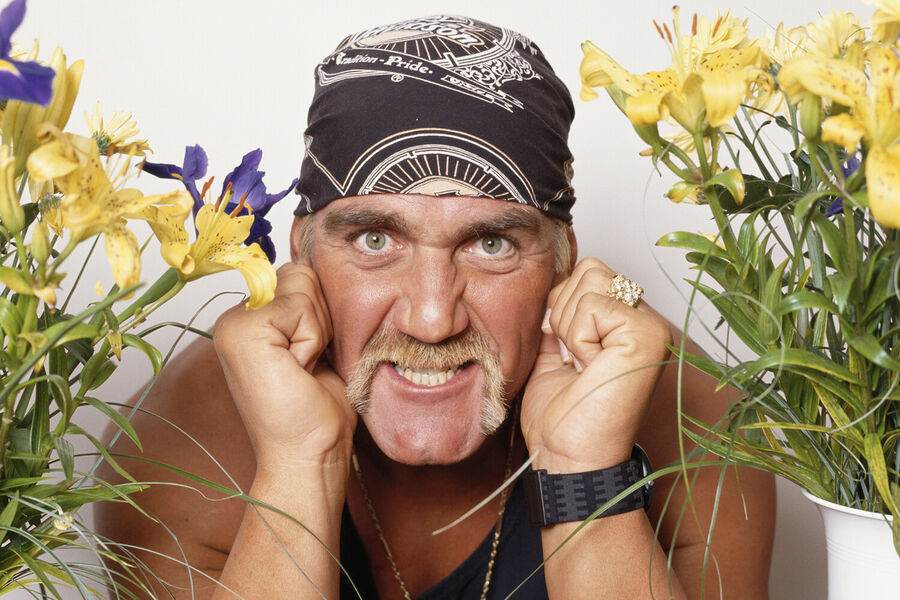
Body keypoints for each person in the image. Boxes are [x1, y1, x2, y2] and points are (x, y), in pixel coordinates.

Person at [95, 14, 775, 600]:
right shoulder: (180, 436)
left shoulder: (693, 416)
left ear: (563, 261)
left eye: (490, 244)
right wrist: (300, 462)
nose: (431, 319)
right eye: (374, 239)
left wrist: (585, 467)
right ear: (302, 255)